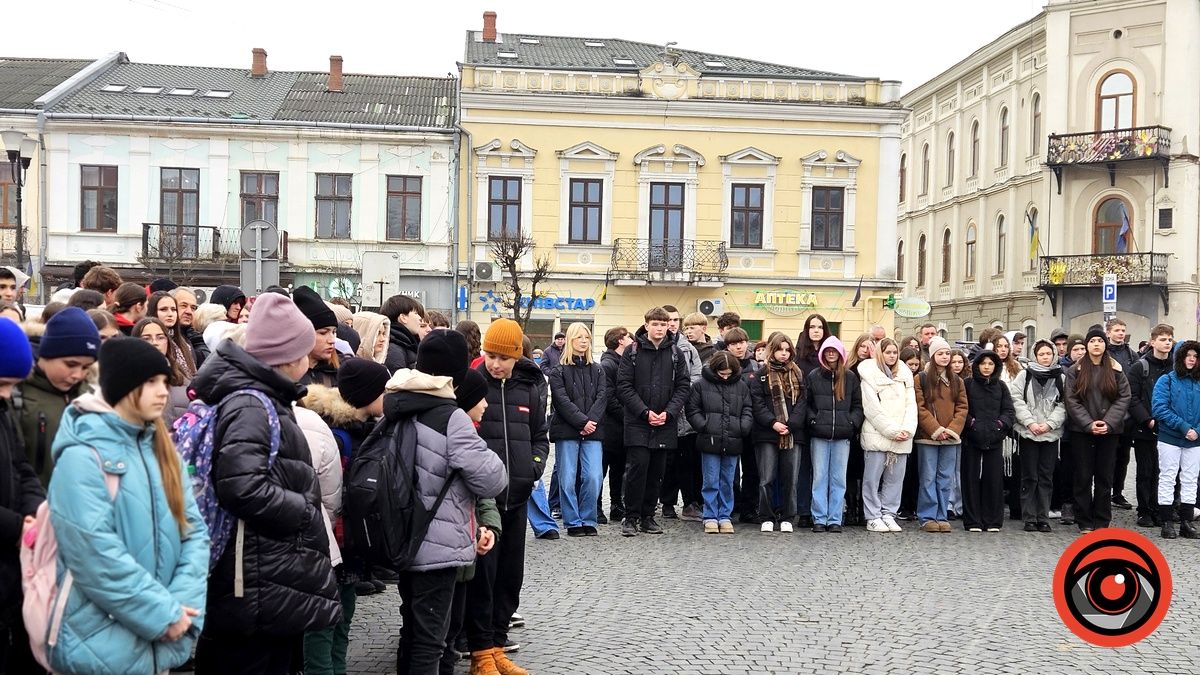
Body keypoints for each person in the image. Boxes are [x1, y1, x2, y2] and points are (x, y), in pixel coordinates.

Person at [191, 293, 341, 673]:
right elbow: (241, 484)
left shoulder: (263, 399)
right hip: (252, 579)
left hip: (264, 573)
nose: (310, 361)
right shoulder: (251, 404)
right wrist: (303, 510)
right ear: (287, 356)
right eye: (305, 351)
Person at [47, 337, 209, 674]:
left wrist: (183, 606)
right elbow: (94, 555)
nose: (163, 391)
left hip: (161, 642)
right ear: (123, 386)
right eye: (150, 382)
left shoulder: (163, 452)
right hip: (97, 642)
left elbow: (193, 532)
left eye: (165, 381)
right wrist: (164, 613)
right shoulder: (81, 457)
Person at [384, 332, 507, 674]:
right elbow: (492, 478)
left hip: (404, 533)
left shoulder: (396, 402)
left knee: (412, 631)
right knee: (431, 642)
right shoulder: (449, 416)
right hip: (437, 546)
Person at [468, 319, 548, 673]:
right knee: (482, 578)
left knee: (509, 577)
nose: (495, 363)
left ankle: (498, 645)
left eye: (503, 357)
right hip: (483, 502)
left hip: (517, 496)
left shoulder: (530, 387)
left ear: (516, 356)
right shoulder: (471, 385)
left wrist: (533, 467)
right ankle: (480, 652)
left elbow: (540, 437)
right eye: (490, 355)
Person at [300, 359, 389, 673]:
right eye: (383, 390)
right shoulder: (338, 436)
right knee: (324, 618)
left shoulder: (364, 428)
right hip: (330, 540)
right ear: (367, 396)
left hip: (349, 541)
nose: (388, 395)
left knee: (344, 611)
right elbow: (329, 496)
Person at [616, 307, 691, 537]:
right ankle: (631, 517)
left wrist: (668, 413)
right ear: (646, 325)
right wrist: (645, 412)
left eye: (663, 324)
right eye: (655, 324)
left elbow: (683, 386)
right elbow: (624, 386)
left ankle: (648, 516)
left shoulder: (676, 353)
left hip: (665, 423)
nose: (659, 328)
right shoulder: (632, 351)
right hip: (639, 422)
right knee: (637, 469)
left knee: (657, 471)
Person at [0, 318, 44, 674]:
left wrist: (36, 510)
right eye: (2, 384)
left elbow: (22, 467)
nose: (7, 393)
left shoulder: (3, 412)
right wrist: (17, 526)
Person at [16, 307, 99, 486]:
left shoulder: (92, 395)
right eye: (71, 364)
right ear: (47, 354)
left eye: (86, 367)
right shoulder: (16, 391)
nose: (77, 374)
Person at [1063, 328, 1131, 532]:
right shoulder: (1074, 371)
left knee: (1104, 477)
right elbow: (1071, 400)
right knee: (1083, 476)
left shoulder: (1116, 369)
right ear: (1086, 345)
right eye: (1092, 341)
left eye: (1099, 341)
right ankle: (1083, 519)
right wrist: (1088, 423)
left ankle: (1102, 520)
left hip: (1109, 432)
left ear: (1105, 344)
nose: (1096, 345)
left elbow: (1123, 397)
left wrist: (1107, 423)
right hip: (1082, 431)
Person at [547, 323, 608, 537]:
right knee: (567, 476)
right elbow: (561, 400)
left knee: (593, 476)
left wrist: (590, 421)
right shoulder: (558, 371)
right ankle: (572, 521)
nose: (584, 341)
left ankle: (588, 518)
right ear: (571, 340)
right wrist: (582, 422)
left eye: (587, 337)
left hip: (593, 430)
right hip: (567, 429)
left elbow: (602, 397)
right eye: (579, 337)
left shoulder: (598, 369)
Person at [688, 351, 753, 534]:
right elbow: (692, 409)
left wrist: (743, 427)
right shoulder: (701, 385)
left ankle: (725, 515)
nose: (725, 377)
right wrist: (704, 425)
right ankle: (710, 515)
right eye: (721, 374)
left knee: (728, 480)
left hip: (733, 438)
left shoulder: (741, 386)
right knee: (710, 479)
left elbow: (748, 408)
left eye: (728, 374)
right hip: (709, 439)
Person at [746, 333, 805, 533]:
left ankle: (788, 516)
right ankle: (767, 515)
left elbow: (802, 403)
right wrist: (773, 423)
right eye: (780, 349)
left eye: (787, 350)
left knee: (791, 478)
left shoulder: (798, 373)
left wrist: (791, 424)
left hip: (793, 433)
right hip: (766, 433)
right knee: (766, 478)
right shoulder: (761, 374)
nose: (784, 353)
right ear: (773, 350)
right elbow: (757, 404)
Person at [858, 338, 917, 533]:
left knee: (895, 479)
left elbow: (911, 405)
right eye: (888, 352)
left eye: (894, 352)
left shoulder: (904, 375)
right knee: (872, 479)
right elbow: (872, 408)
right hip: (878, 434)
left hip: (902, 435)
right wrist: (891, 430)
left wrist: (907, 429)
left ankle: (889, 513)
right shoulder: (869, 374)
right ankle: (872, 515)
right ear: (880, 353)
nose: (892, 356)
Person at [804, 336, 862, 533]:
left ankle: (835, 518)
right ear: (822, 353)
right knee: (820, 477)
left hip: (842, 435)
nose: (831, 353)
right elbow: (808, 403)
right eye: (827, 350)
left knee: (838, 479)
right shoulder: (813, 376)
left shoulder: (850, 377)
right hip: (819, 434)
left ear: (840, 353)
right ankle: (819, 517)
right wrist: (813, 420)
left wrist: (851, 423)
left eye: (834, 350)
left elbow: (857, 405)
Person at [1010, 340, 1066, 532]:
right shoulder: (1024, 375)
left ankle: (1043, 516)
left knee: (1046, 476)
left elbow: (1064, 404)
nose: (1045, 357)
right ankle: (1029, 517)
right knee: (1029, 476)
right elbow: (1016, 399)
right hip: (1028, 433)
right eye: (1041, 354)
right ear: (1035, 355)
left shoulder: (1061, 377)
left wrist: (1049, 424)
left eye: (1048, 354)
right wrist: (1030, 422)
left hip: (1050, 434)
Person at [913, 336, 968, 533]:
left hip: (950, 438)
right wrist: (935, 429)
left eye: (947, 353)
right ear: (933, 355)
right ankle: (927, 516)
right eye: (941, 353)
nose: (945, 357)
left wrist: (952, 430)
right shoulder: (921, 379)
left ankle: (941, 514)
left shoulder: (957, 381)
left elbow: (962, 407)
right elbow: (920, 408)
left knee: (945, 478)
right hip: (928, 437)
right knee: (928, 477)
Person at [961, 350, 1016, 532]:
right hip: (972, 438)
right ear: (976, 365)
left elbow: (1009, 411)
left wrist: (1000, 425)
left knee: (994, 479)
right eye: (983, 363)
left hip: (994, 438)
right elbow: (962, 408)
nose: (986, 367)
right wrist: (972, 423)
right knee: (971, 478)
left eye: (990, 364)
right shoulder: (967, 384)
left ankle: (993, 520)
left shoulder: (1001, 386)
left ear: (996, 366)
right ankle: (972, 521)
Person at [1152, 340, 1200, 539]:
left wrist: (1196, 431)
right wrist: (1183, 427)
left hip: (1195, 440)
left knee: (1190, 480)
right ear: (1179, 357)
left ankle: (1186, 522)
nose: (1192, 359)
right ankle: (1167, 522)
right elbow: (1159, 408)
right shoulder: (1167, 380)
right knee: (1168, 478)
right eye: (1188, 355)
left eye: (1195, 356)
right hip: (1170, 438)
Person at [1128, 324, 1175, 528]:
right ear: (1153, 341)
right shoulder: (1140, 366)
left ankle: (1161, 508)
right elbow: (1132, 397)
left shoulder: (1175, 367)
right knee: (1146, 471)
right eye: (1163, 339)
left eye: (1169, 339)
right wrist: (1147, 419)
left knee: (1165, 471)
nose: (1166, 343)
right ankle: (1144, 510)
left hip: (1170, 428)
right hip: (1145, 427)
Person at [661, 305, 703, 521]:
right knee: (666, 462)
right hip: (663, 412)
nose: (672, 324)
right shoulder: (655, 346)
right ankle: (667, 503)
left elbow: (697, 373)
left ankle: (690, 503)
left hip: (686, 413)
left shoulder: (688, 348)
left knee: (687, 461)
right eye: (668, 320)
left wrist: (683, 389)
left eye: (676, 320)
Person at [599, 327, 634, 523]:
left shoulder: (622, 362)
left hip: (620, 427)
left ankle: (616, 506)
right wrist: (627, 415)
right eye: (629, 337)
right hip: (610, 426)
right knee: (602, 470)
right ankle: (597, 507)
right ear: (620, 340)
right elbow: (609, 397)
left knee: (619, 469)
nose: (632, 340)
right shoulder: (608, 364)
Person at [132, 317, 193, 425]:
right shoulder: (128, 379)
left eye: (160, 337)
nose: (155, 342)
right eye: (146, 338)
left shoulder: (181, 376)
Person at [1105, 318, 1138, 512]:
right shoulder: (1104, 353)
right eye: (1117, 330)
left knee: (1123, 457)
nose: (1120, 333)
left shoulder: (1131, 354)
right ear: (1108, 332)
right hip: (1107, 411)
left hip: (1126, 415)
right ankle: (1101, 491)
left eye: (1123, 330)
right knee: (1105, 457)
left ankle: (1117, 492)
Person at [293, 286, 340, 387]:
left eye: (334, 332)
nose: (332, 340)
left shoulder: (341, 374)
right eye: (323, 333)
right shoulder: (288, 377)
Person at [147, 290, 198, 384]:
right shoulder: (148, 341)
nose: (170, 314)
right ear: (153, 311)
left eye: (173, 309)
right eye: (163, 309)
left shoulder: (184, 343)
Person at [381, 294, 426, 372]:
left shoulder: (407, 343)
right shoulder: (394, 348)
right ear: (403, 318)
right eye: (416, 313)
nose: (420, 318)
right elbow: (398, 382)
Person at [171, 287, 209, 368]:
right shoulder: (162, 337)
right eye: (183, 306)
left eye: (193, 308)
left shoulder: (195, 338)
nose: (189, 312)